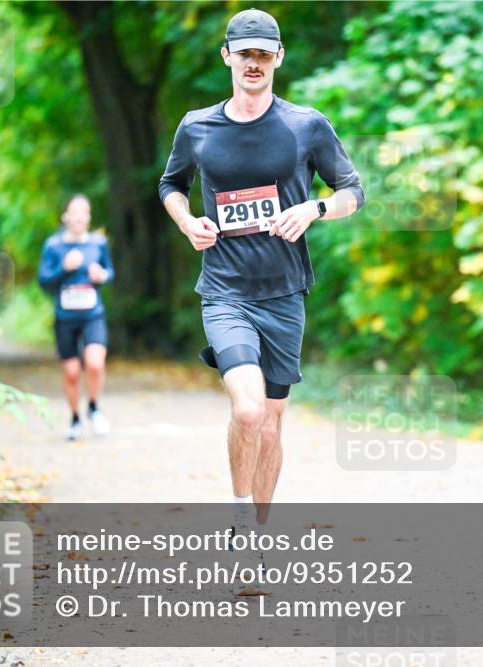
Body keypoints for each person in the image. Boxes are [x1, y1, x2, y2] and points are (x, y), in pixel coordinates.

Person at [158, 8, 365, 588]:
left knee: (271, 422)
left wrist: (314, 208)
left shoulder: (306, 125)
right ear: (227, 56)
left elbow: (353, 190)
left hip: (285, 293)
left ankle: (257, 540)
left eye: (264, 54)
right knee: (247, 410)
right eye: (244, 53)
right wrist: (187, 221)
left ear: (279, 58)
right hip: (225, 290)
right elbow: (170, 184)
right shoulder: (197, 127)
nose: (254, 63)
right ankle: (239, 519)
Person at [38, 194, 115, 441]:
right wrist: (64, 268)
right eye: (75, 212)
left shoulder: (98, 243)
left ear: (89, 217)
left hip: (93, 315)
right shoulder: (53, 246)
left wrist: (101, 276)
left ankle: (94, 407)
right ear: (66, 216)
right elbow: (44, 282)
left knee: (95, 364)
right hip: (65, 318)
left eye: (84, 213)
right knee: (71, 372)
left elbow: (109, 272)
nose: (80, 217)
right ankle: (74, 419)